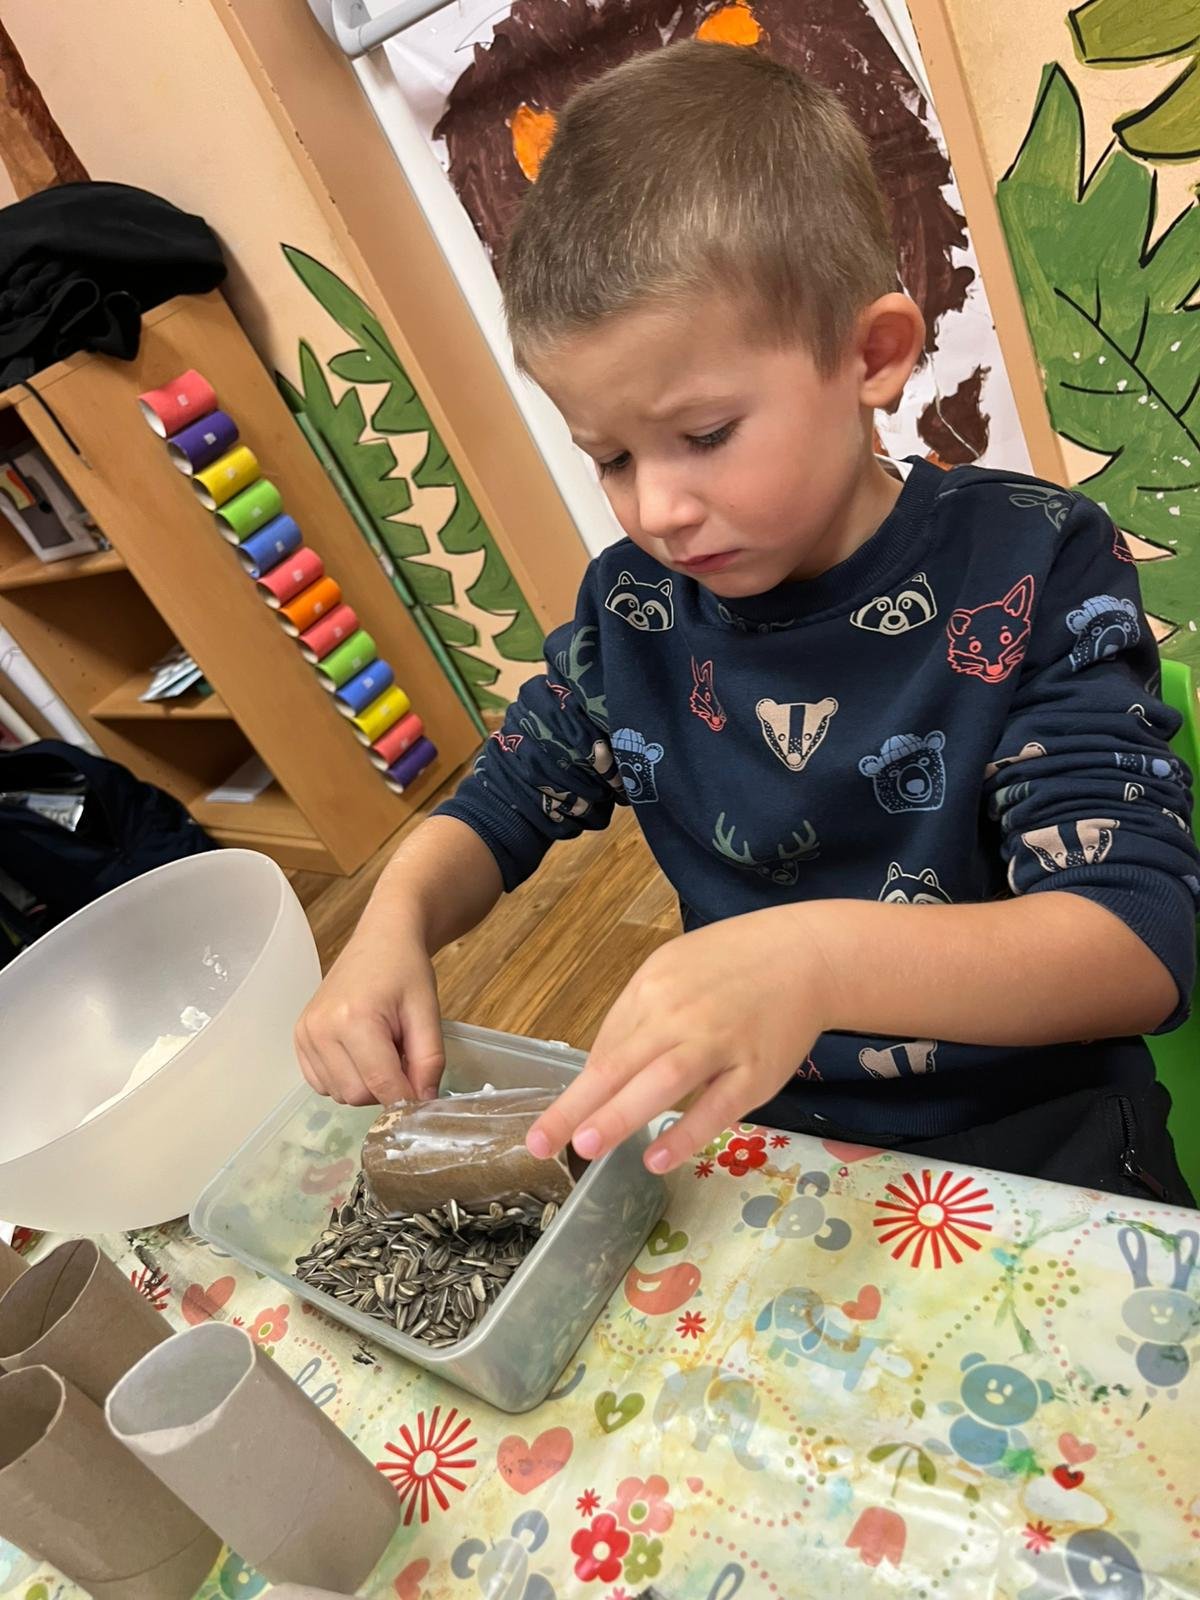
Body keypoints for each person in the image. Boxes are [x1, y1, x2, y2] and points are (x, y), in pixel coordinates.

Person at [296, 41, 1200, 1203]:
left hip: (1042, 1146)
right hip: (764, 1145)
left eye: (706, 435)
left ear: (870, 355)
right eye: (611, 457)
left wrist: (816, 959)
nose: (658, 510)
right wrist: (393, 921)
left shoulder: (1033, 560)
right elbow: (503, 797)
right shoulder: (635, 606)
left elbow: (1135, 942)